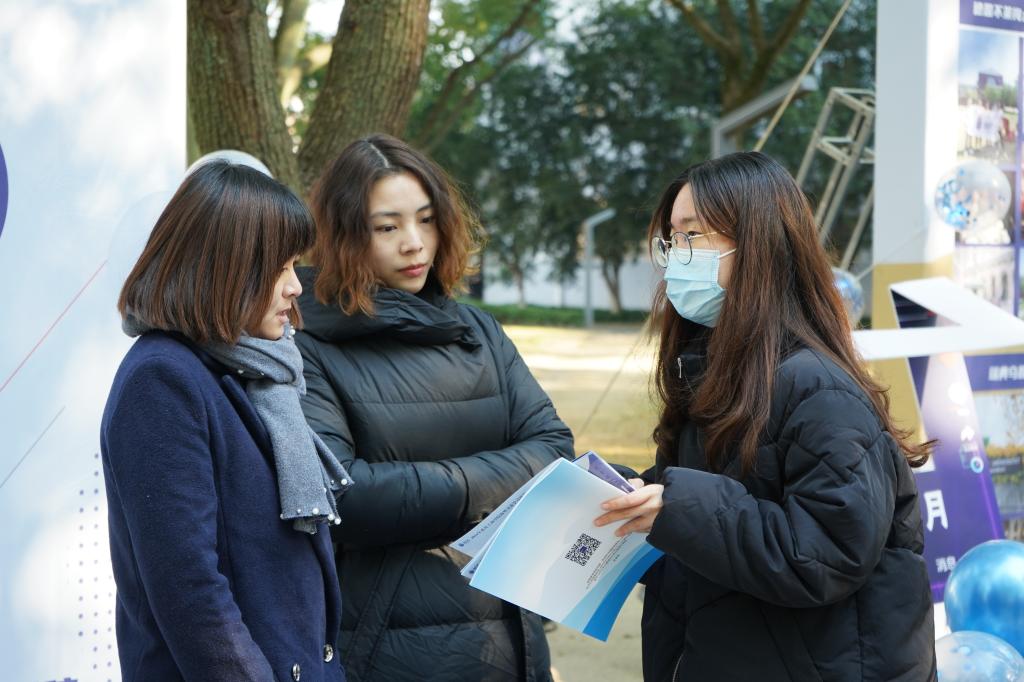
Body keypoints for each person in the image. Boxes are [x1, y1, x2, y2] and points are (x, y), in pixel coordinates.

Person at [596, 152, 936, 681]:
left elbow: (829, 552)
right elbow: (715, 520)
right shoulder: (710, 373)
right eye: (671, 240)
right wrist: (635, 498)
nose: (676, 258)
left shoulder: (819, 388)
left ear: (759, 246)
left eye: (693, 236)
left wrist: (678, 507)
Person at [296, 133, 573, 682]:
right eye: (387, 227)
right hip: (383, 649)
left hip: (509, 638)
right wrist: (485, 488)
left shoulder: (478, 331)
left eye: (426, 220)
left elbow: (554, 451)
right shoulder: (308, 343)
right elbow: (342, 493)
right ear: (342, 235)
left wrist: (434, 492)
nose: (414, 244)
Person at [101, 160, 349, 682]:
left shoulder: (253, 369)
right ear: (226, 267)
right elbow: (192, 591)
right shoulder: (162, 379)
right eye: (280, 267)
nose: (296, 287)